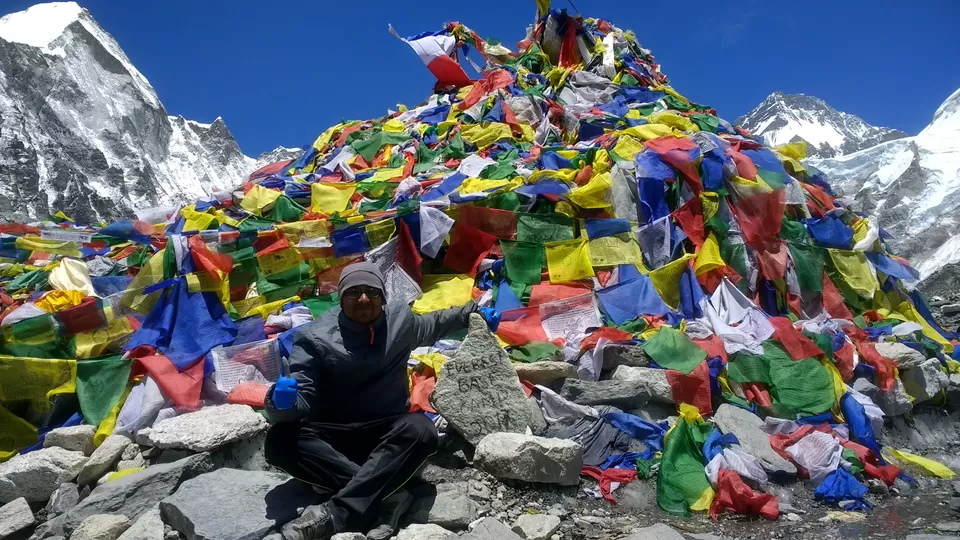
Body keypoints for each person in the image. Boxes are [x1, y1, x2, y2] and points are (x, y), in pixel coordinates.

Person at [263, 261, 494, 540]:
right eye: (354, 292)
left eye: (372, 292)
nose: (363, 299)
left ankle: (337, 512)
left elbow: (438, 322)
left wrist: (477, 313)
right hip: (333, 437)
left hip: (386, 432)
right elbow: (302, 400)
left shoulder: (400, 323)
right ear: (341, 297)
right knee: (279, 440)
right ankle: (389, 496)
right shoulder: (314, 339)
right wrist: (279, 404)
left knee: (422, 430)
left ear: (383, 298)